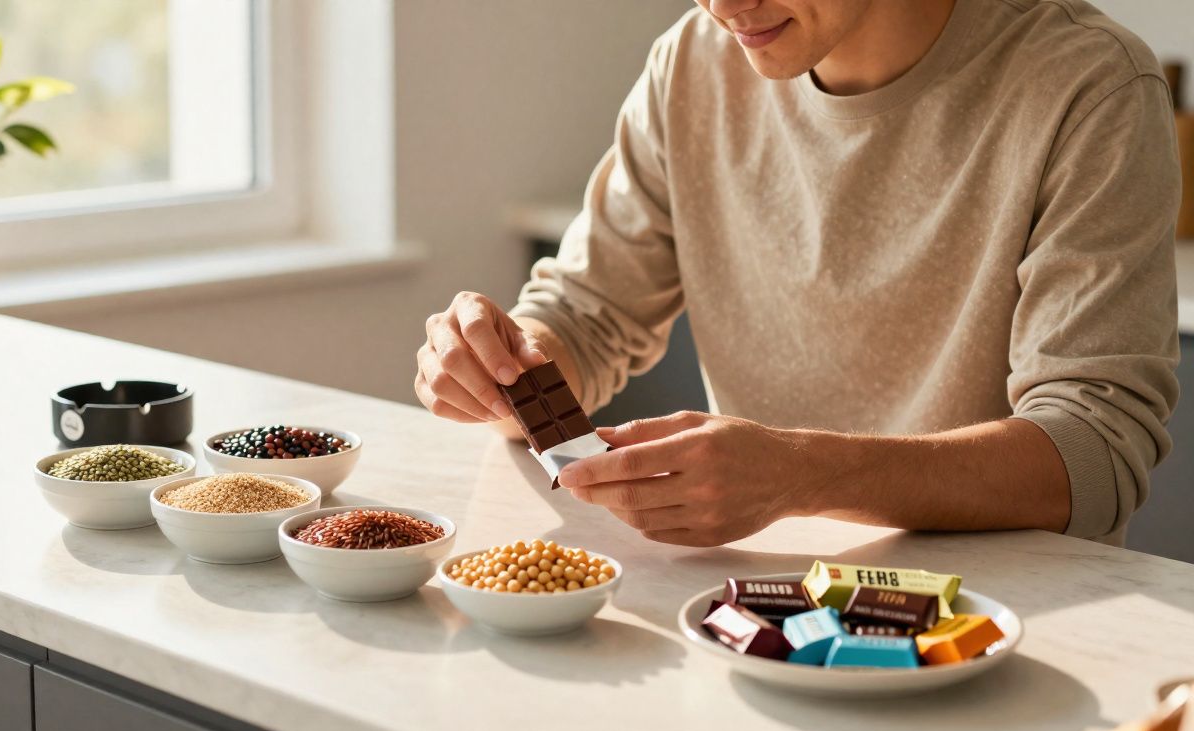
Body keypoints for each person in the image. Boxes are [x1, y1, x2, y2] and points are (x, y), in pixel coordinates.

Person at [413, 0, 1181, 547]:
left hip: (1002, 632)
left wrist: (803, 474)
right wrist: (503, 366)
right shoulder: (692, 62)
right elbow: (585, 314)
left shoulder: (1089, 85)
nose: (723, 6)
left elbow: (1094, 451)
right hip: (749, 610)